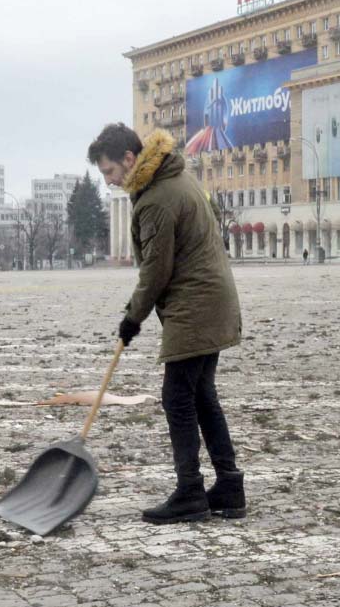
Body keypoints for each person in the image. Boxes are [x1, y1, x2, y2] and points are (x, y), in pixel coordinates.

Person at [87, 123, 244, 523]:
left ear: (128, 158)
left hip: (196, 307)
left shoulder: (156, 198)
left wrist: (131, 318)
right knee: (201, 394)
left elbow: (156, 272)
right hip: (214, 300)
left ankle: (190, 490)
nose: (110, 181)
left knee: (177, 397)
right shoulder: (177, 178)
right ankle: (229, 485)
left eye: (109, 171)